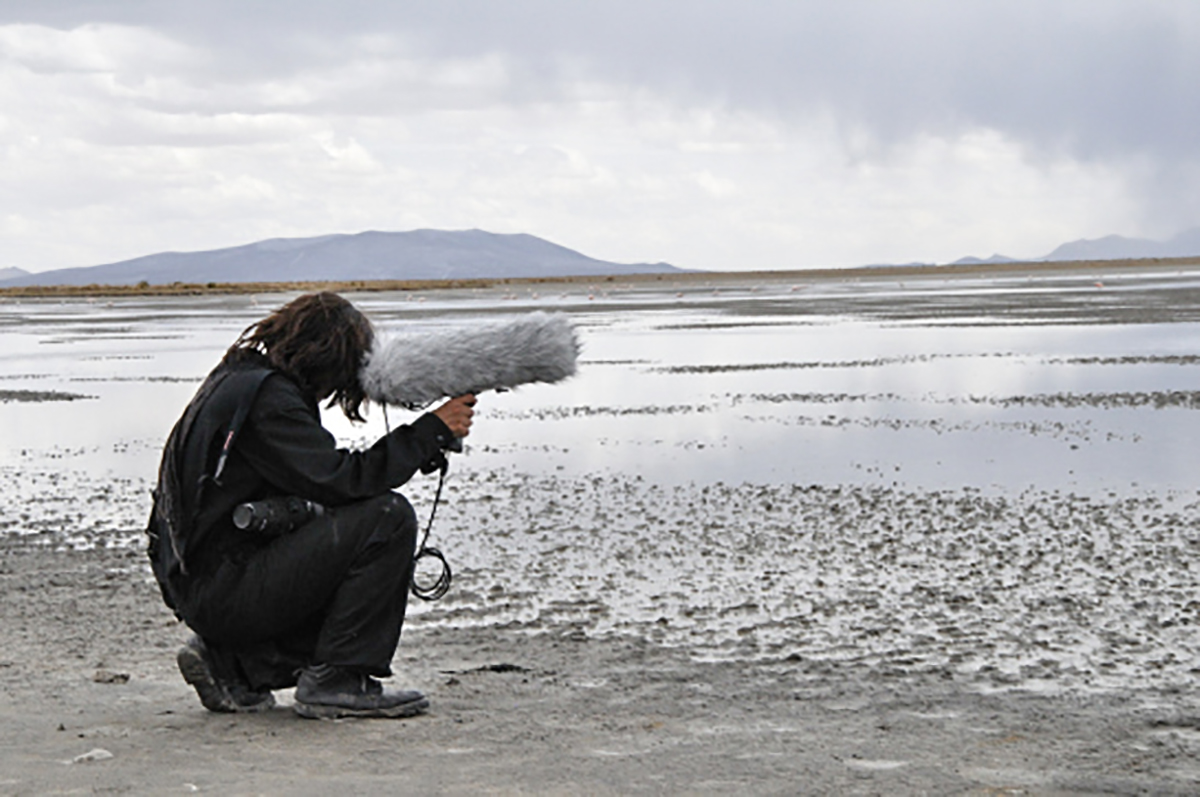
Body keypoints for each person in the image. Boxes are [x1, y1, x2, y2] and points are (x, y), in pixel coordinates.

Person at [145, 292, 475, 719]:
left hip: (200, 585)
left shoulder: (237, 378)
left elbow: (320, 481)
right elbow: (342, 481)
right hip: (219, 590)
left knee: (326, 522)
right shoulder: (269, 399)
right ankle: (339, 680)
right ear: (327, 356)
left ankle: (233, 666)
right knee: (386, 518)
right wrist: (429, 431)